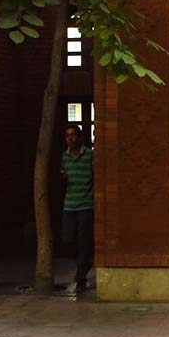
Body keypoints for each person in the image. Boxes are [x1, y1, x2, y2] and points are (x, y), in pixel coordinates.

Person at [61, 123, 94, 295]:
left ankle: (81, 275)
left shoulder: (89, 155)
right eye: (67, 136)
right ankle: (84, 262)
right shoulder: (64, 157)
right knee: (68, 238)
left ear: (79, 137)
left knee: (84, 240)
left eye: (73, 135)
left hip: (86, 204)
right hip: (70, 204)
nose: (70, 138)